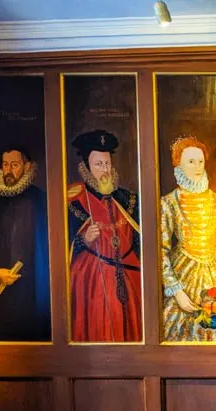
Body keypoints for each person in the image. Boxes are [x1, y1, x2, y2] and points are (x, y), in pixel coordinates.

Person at [67, 129, 142, 342]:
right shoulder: (73, 199)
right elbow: (58, 248)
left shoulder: (127, 199)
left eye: (107, 163)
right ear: (86, 167)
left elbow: (139, 240)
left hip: (128, 276)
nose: (105, 170)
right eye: (98, 164)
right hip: (91, 280)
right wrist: (83, 239)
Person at [161, 135, 216, 342]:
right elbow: (160, 251)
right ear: (179, 165)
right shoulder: (168, 203)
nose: (197, 167)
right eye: (191, 161)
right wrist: (177, 292)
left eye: (200, 161)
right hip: (183, 271)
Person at [0, 146, 50, 341]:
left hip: (32, 298)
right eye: (5, 164)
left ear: (27, 167)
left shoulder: (42, 202)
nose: (8, 170)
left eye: (15, 165)